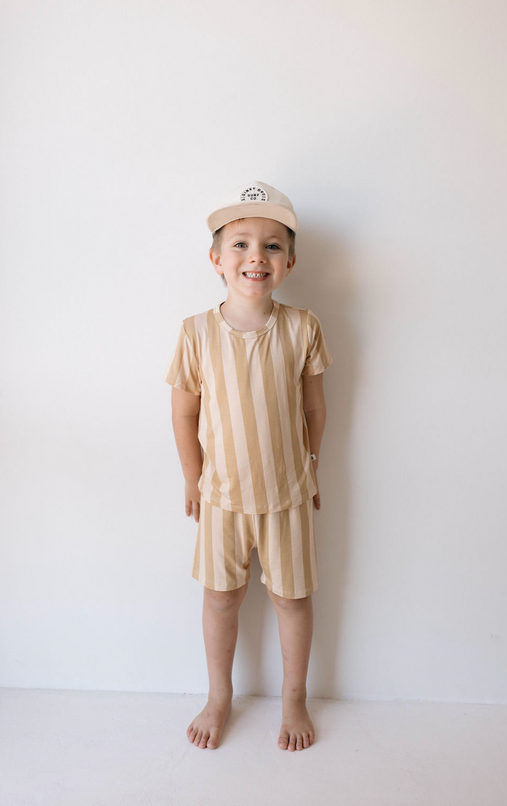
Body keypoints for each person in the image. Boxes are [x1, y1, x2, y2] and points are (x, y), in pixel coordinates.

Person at [163, 181, 333, 752]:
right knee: (220, 597)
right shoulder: (195, 333)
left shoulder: (302, 327)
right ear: (216, 259)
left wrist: (311, 465)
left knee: (292, 598)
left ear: (289, 261)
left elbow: (314, 406)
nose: (255, 256)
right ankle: (219, 696)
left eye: (271, 245)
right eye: (239, 244)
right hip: (221, 497)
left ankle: (294, 696)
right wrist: (193, 477)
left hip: (287, 495)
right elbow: (184, 414)